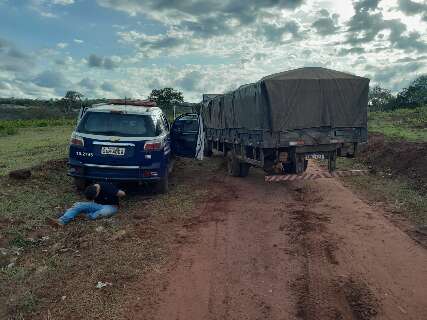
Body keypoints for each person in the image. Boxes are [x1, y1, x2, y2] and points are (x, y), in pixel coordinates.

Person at [51, 182, 126, 226]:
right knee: (78, 205)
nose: (94, 198)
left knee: (103, 213)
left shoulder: (107, 186)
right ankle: (61, 221)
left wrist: (117, 193)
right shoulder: (91, 188)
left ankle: (81, 215)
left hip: (111, 206)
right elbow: (92, 201)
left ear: (97, 191)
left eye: (94, 197)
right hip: (97, 205)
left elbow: (123, 194)